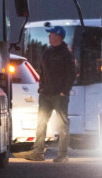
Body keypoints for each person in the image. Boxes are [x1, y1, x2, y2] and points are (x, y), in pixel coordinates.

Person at [16, 26, 77, 163]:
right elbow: (42, 71)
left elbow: (71, 74)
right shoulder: (48, 52)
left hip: (59, 96)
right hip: (46, 94)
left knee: (63, 125)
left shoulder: (66, 54)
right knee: (41, 123)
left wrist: (64, 91)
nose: (49, 37)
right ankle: (38, 153)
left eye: (51, 35)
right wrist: (41, 88)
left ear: (58, 37)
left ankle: (62, 155)